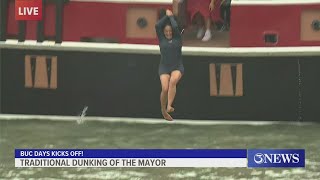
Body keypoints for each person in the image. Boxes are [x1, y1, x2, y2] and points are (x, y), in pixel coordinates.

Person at [155, 9, 184, 121]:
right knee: (164, 88)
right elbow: (158, 25)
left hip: (177, 66)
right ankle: (163, 110)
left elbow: (176, 27)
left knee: (173, 81)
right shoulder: (161, 38)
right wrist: (166, 17)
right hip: (164, 67)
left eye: (170, 31)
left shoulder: (177, 38)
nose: (168, 33)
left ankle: (169, 106)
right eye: (166, 31)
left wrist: (171, 17)